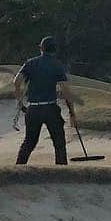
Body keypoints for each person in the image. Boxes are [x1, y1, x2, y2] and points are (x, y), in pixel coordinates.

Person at [13, 36, 77, 165]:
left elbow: (16, 82)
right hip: (50, 108)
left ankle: (18, 169)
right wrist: (72, 112)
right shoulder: (57, 65)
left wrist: (19, 102)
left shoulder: (30, 63)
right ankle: (61, 173)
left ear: (41, 48)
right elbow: (66, 91)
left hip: (33, 109)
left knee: (29, 142)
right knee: (59, 142)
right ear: (55, 50)